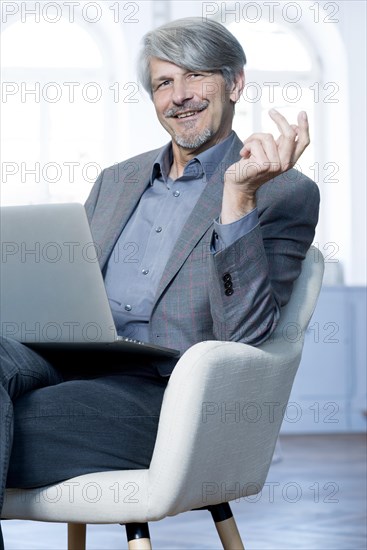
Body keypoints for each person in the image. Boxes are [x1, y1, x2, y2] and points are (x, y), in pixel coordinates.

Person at [0, 16, 320, 547]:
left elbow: (244, 340)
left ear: (235, 83)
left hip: (167, 393)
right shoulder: (116, 180)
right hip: (69, 359)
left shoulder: (283, 192)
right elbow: (70, 282)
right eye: (164, 83)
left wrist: (238, 201)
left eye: (196, 76)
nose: (179, 96)